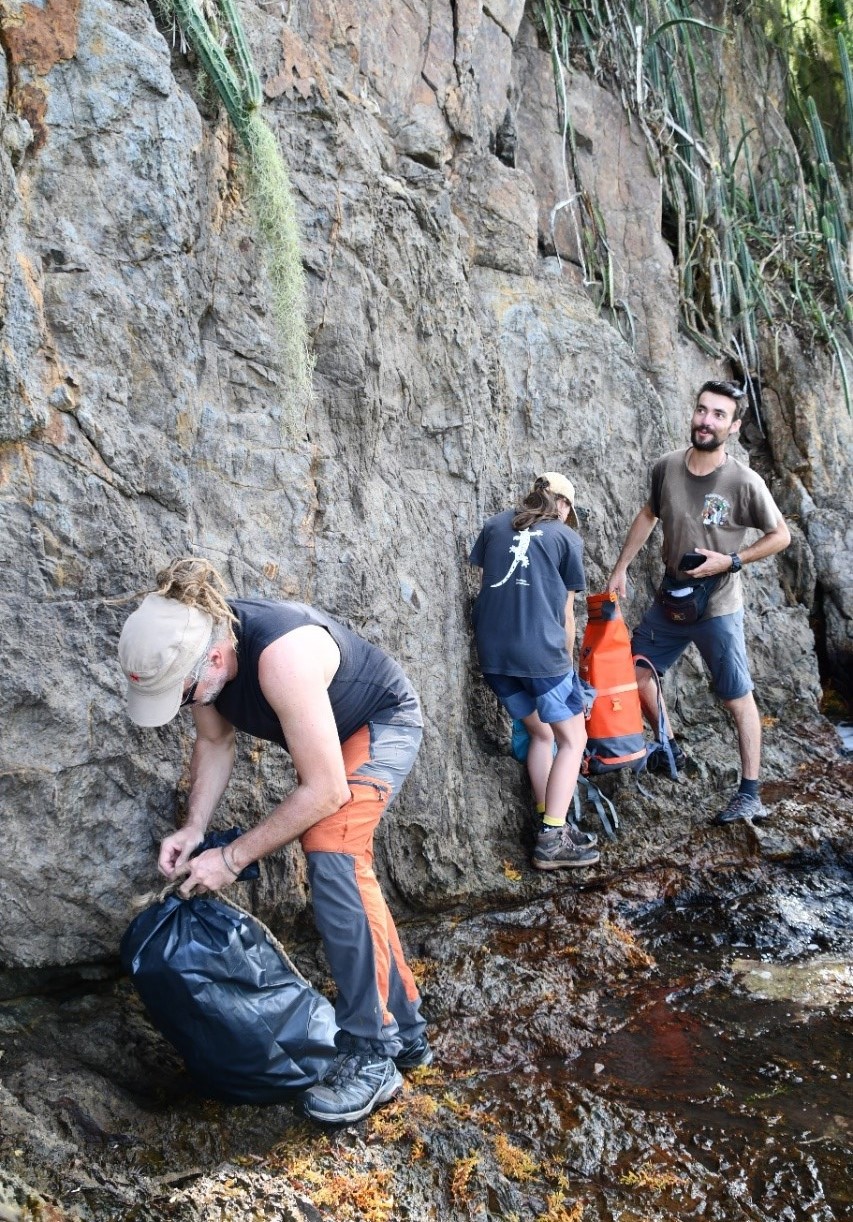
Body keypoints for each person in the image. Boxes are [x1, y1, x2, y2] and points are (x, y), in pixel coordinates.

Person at [118, 558, 431, 1125]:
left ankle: (372, 1053)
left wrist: (232, 859)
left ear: (213, 659)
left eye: (185, 694)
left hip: (381, 723)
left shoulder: (281, 658)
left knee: (333, 849)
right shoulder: (205, 649)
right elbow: (215, 745)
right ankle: (405, 1030)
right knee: (341, 856)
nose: (189, 705)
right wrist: (194, 828)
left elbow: (326, 789)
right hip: (330, 739)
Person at [606, 380, 791, 824]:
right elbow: (649, 514)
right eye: (702, 410)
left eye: (719, 415)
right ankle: (667, 743)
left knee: (736, 698)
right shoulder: (667, 467)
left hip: (718, 607)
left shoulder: (743, 482)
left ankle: (750, 792)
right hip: (671, 600)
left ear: (734, 425)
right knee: (634, 674)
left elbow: (779, 535)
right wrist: (621, 568)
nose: (706, 421)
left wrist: (730, 560)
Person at [469, 473, 600, 871]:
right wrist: (570, 667)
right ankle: (552, 839)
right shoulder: (566, 538)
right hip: (540, 655)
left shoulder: (494, 525)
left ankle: (548, 818)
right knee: (573, 739)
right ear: (562, 505)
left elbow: (488, 582)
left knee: (541, 733)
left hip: (493, 655)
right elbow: (566, 614)